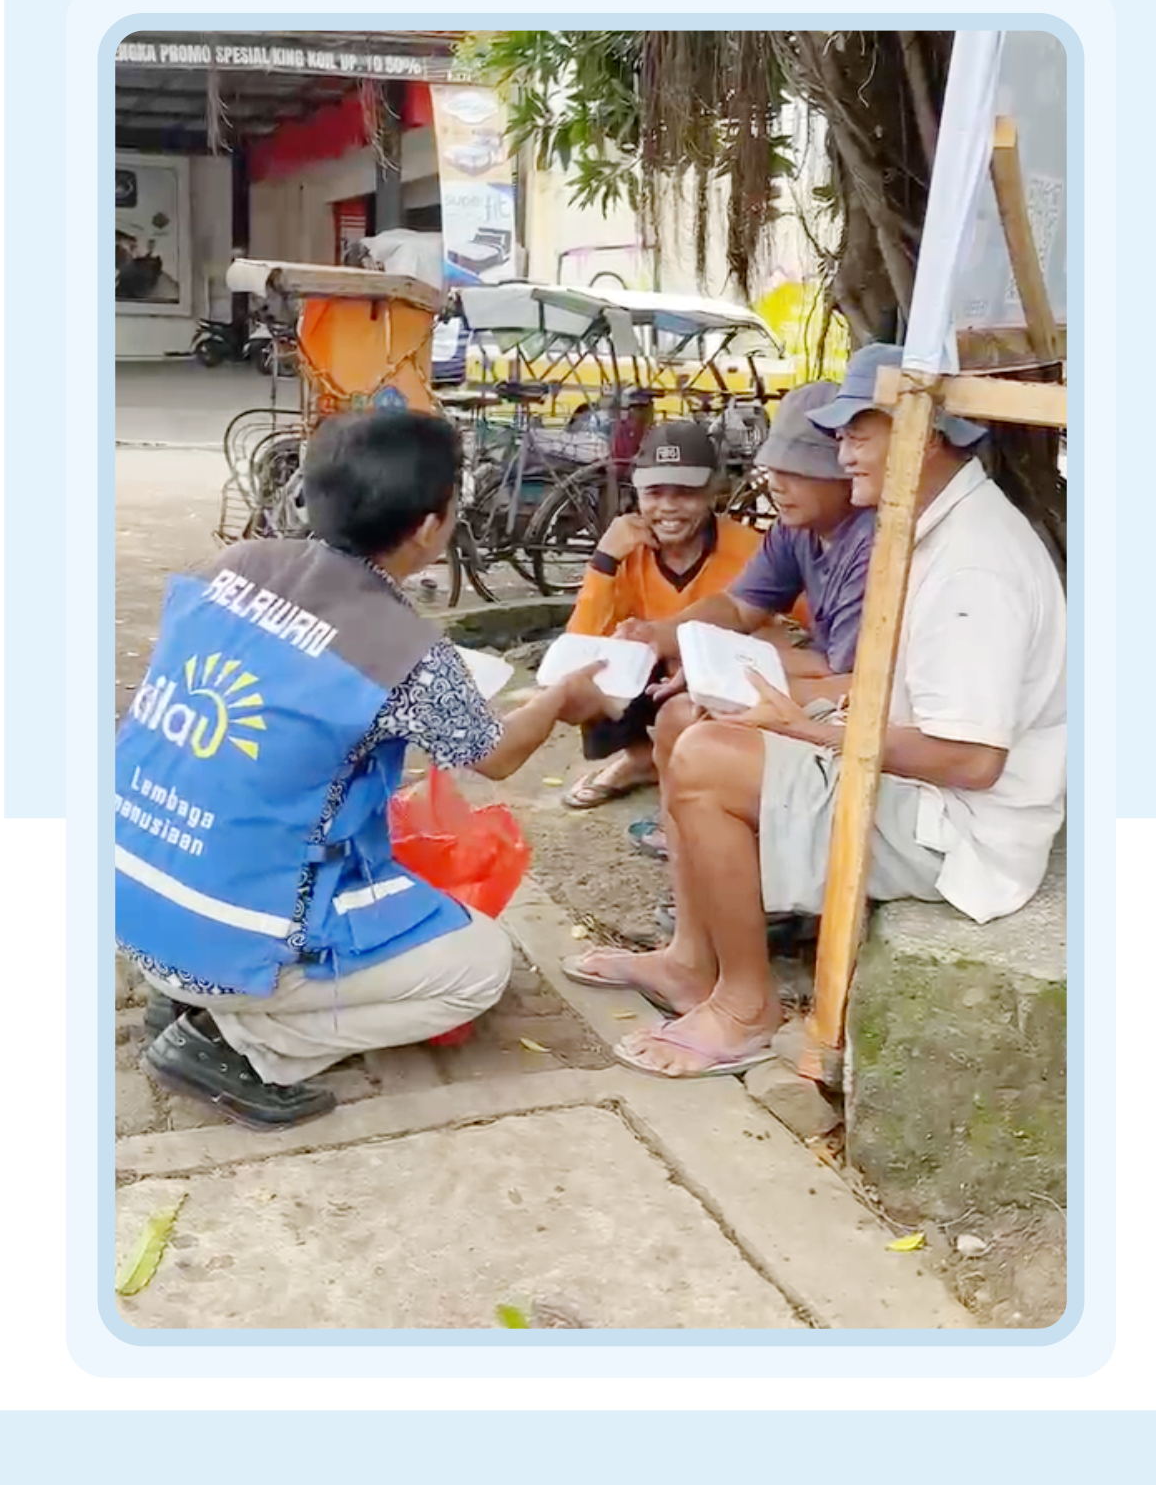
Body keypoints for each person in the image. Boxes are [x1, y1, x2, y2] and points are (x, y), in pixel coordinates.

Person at [562, 343, 1067, 1078]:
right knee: (692, 728)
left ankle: (744, 1008)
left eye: (858, 431)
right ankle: (691, 961)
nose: (843, 450)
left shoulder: (973, 566)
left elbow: (972, 760)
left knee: (706, 758)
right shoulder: (937, 527)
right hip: (926, 787)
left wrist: (798, 724)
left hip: (958, 830)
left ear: (920, 433)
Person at [116, 409, 612, 1130]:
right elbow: (496, 756)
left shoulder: (231, 566)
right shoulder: (401, 646)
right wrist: (563, 695)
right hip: (229, 933)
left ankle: (190, 990)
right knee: (481, 964)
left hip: (131, 893)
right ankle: (242, 1040)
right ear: (429, 527)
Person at [617, 381, 876, 865]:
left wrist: (723, 669)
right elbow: (738, 607)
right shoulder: (795, 529)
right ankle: (695, 858)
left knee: (691, 718)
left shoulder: (870, 542)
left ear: (845, 472)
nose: (775, 482)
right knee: (678, 710)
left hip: (853, 708)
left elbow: (846, 677)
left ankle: (735, 865)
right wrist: (660, 634)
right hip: (826, 681)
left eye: (794, 470)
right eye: (773, 466)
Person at [560, 420, 763, 809]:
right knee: (594, 663)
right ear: (637, 493)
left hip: (717, 685)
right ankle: (639, 759)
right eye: (654, 492)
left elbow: (805, 622)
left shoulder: (750, 549)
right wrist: (603, 560)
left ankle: (713, 774)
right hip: (650, 674)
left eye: (685, 492)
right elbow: (581, 640)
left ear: (712, 492)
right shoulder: (626, 549)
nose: (668, 506)